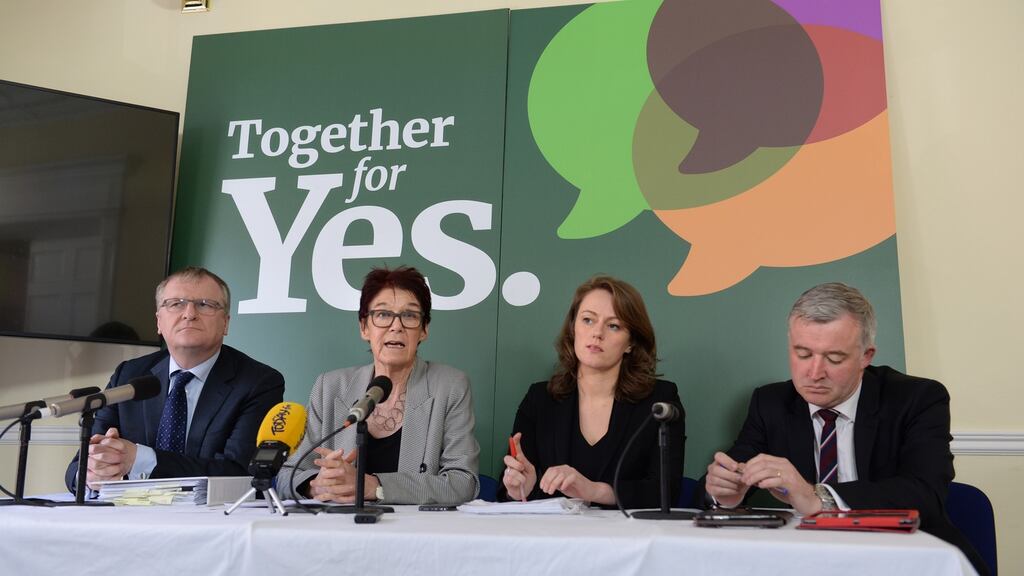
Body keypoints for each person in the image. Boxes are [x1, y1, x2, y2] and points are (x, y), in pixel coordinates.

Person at [699, 282, 987, 575]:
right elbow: (729, 474)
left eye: (834, 358)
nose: (814, 373)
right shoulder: (771, 402)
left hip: (901, 561)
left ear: (866, 356)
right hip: (803, 563)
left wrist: (819, 497)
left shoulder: (916, 399)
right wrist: (725, 494)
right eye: (802, 354)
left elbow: (925, 494)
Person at [65, 266, 285, 491]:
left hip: (211, 519)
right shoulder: (130, 375)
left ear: (225, 323)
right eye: (176, 304)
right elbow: (77, 467)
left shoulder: (258, 382)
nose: (189, 313)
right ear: (159, 322)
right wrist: (93, 473)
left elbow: (240, 474)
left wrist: (139, 458)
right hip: (130, 514)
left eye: (205, 304)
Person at [276, 266, 479, 505]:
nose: (396, 326)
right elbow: (287, 475)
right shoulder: (330, 387)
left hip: (414, 534)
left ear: (424, 330)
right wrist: (316, 486)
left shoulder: (449, 386)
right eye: (383, 314)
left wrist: (375, 486)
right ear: (364, 327)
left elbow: (463, 482)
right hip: (337, 531)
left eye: (410, 316)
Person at [500, 276, 685, 509]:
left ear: (631, 343)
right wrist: (521, 489)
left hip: (628, 540)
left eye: (613, 325)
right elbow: (507, 490)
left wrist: (594, 490)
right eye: (588, 320)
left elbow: (666, 492)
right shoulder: (540, 399)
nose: (597, 333)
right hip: (553, 538)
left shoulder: (660, 401)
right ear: (573, 329)